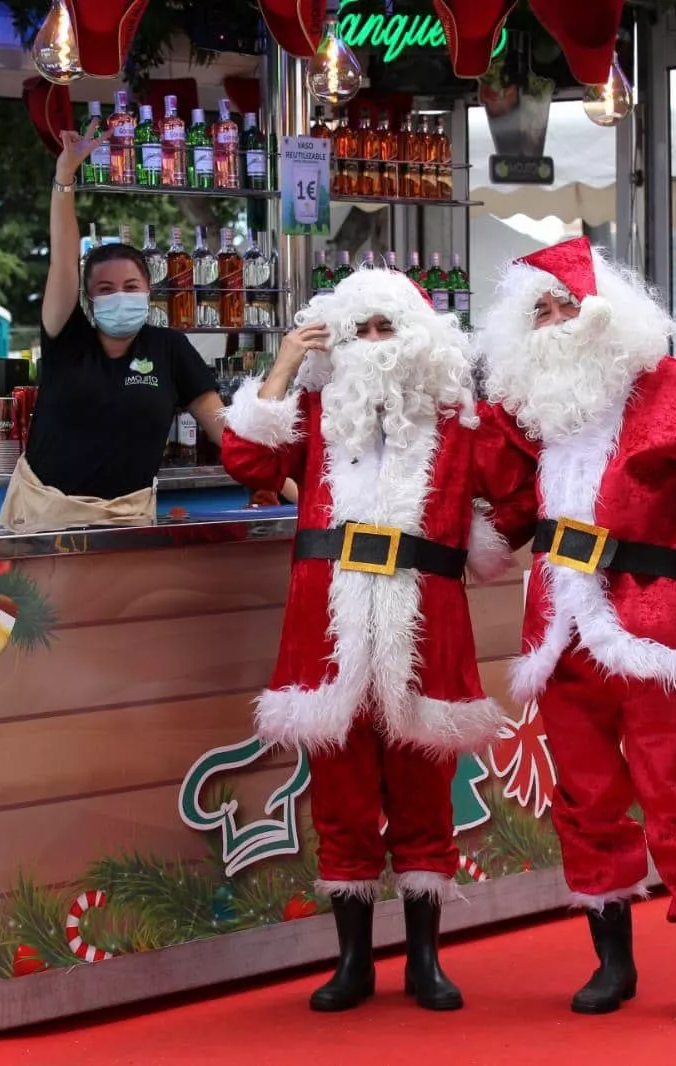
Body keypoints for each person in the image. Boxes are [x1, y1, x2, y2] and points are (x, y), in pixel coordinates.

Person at [475, 237, 676, 1023]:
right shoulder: (526, 411)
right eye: (538, 310)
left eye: (566, 304)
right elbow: (506, 512)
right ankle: (613, 963)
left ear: (609, 310)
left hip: (656, 628)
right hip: (558, 631)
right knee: (584, 797)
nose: (555, 321)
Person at [220, 267, 514, 1013]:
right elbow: (247, 462)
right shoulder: (316, 408)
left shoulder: (460, 418)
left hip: (426, 627)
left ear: (419, 335)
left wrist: (477, 542)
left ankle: (424, 961)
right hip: (328, 632)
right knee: (341, 801)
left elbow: (520, 495)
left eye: (387, 328)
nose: (375, 346)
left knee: (424, 800)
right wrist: (285, 363)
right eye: (360, 332)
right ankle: (352, 964)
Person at [2, 118, 284, 530]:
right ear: (88, 298)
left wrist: (292, 485)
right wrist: (65, 177)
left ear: (149, 291)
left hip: (127, 521)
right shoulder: (67, 336)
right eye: (105, 287)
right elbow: (62, 259)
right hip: (45, 516)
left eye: (130, 285)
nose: (119, 294)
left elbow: (225, 432)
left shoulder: (168, 348)